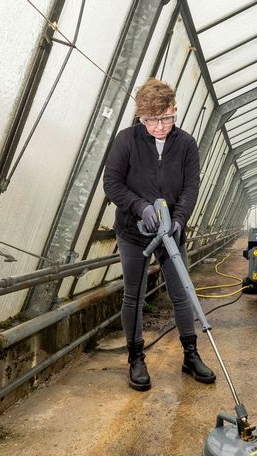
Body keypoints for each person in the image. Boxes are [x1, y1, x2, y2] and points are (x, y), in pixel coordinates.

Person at [102, 78, 215, 391]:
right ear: (141, 116)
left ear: (174, 110)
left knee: (181, 293)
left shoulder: (187, 144)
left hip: (172, 232)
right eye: (152, 120)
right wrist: (141, 207)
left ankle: (191, 356)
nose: (160, 126)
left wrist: (178, 220)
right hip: (133, 232)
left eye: (166, 118)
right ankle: (136, 358)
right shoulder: (126, 140)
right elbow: (112, 184)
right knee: (134, 294)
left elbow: (191, 187)